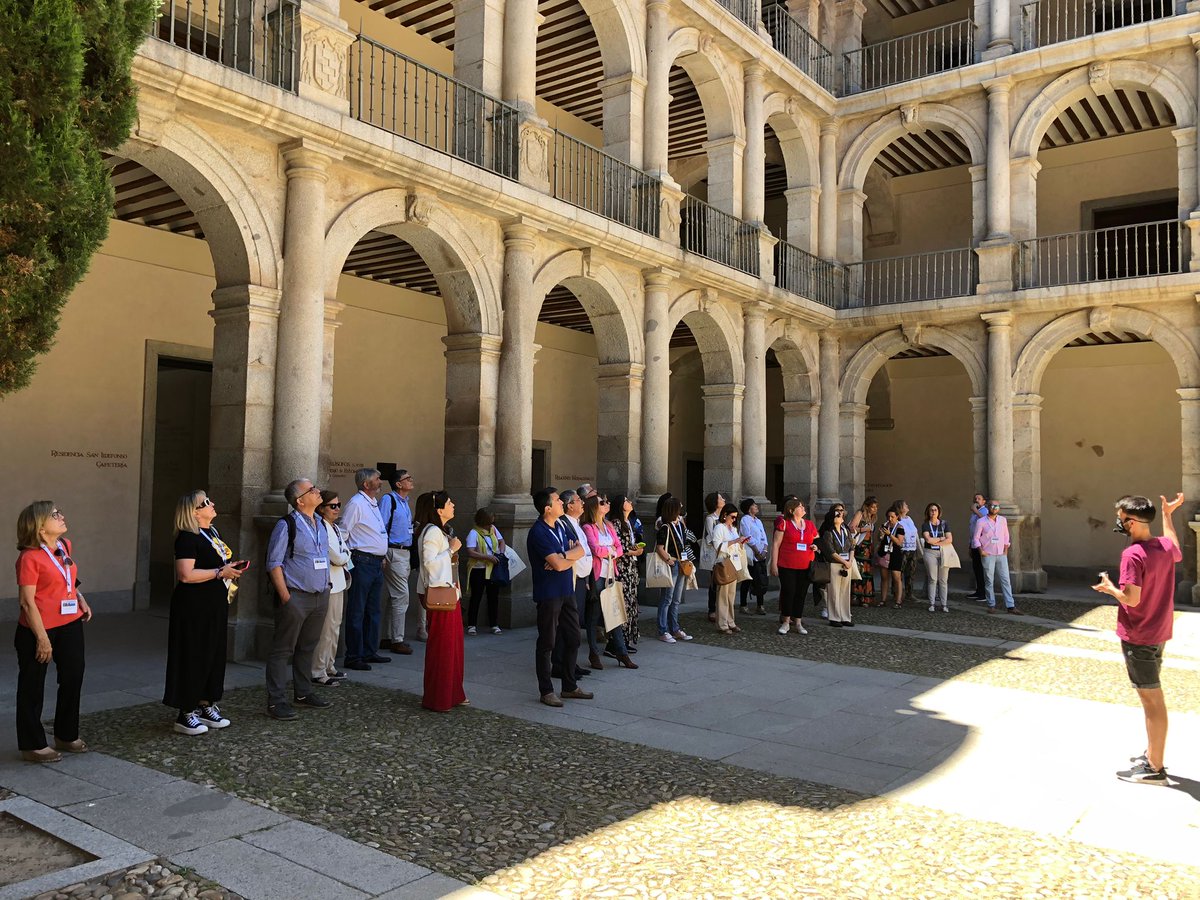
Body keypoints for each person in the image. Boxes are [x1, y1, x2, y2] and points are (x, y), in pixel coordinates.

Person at [1093, 493, 1184, 786]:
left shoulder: (1133, 554)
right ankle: (1152, 754)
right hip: (1159, 632)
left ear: (1130, 522)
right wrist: (1169, 515)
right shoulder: (1163, 546)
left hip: (1139, 634)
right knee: (1152, 696)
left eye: (1120, 518)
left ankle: (1154, 767)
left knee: (1151, 701)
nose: (1118, 522)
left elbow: (1132, 599)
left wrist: (1110, 590)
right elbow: (1176, 545)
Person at [14, 501, 93, 763]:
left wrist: (79, 596)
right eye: (54, 515)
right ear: (39, 527)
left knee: (73, 676)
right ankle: (32, 744)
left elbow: (66, 576)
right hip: (38, 628)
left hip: (69, 622)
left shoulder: (64, 545)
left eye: (60, 511)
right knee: (32, 685)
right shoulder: (29, 558)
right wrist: (42, 638)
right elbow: (27, 602)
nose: (62, 516)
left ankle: (66, 734)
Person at [163, 491, 244, 735]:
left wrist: (227, 570)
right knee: (194, 654)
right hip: (194, 606)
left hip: (214, 602)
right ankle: (185, 711)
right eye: (205, 503)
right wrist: (220, 572)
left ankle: (206, 702)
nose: (212, 504)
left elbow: (216, 564)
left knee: (214, 653)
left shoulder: (212, 532)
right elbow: (186, 574)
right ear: (194, 512)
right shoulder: (187, 537)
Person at [264, 478, 333, 720]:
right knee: (283, 649)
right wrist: (285, 596)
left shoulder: (321, 524)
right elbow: (274, 563)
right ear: (300, 500)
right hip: (296, 596)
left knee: (307, 647)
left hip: (319, 596)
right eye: (311, 489)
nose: (317, 490)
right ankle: (276, 701)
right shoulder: (286, 525)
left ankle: (303, 692)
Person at [527, 487, 593, 707]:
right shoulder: (538, 532)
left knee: (574, 637)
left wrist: (564, 557)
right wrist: (564, 559)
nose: (561, 504)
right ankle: (546, 690)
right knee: (547, 642)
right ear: (547, 508)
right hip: (549, 594)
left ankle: (569, 685)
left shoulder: (562, 525)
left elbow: (581, 550)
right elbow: (554, 564)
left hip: (567, 590)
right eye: (557, 501)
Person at [415, 490, 468, 712]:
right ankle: (440, 697)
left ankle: (452, 693)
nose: (453, 505)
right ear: (438, 510)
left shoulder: (439, 531)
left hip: (447, 593)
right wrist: (451, 550)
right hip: (441, 594)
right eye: (449, 502)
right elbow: (430, 563)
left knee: (452, 646)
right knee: (443, 647)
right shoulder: (432, 532)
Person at [340, 467, 390, 670]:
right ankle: (354, 655)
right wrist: (346, 559)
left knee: (373, 610)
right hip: (362, 562)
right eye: (377, 479)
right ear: (366, 484)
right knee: (357, 610)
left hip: (376, 562)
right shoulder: (356, 504)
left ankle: (369, 651)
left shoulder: (372, 503)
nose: (380, 482)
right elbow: (344, 532)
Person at [582, 495, 636, 668]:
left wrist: (610, 551)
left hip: (612, 574)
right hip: (598, 576)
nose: (607, 504)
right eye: (602, 503)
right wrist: (610, 550)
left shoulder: (609, 525)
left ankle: (621, 652)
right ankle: (594, 652)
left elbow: (619, 548)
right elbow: (595, 549)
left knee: (615, 614)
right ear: (594, 507)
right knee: (594, 615)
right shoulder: (588, 527)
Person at [559, 489, 603, 670]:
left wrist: (585, 577)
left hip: (581, 578)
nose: (582, 503)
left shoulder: (577, 523)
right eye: (578, 500)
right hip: (572, 578)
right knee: (569, 624)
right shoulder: (564, 524)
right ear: (570, 505)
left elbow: (583, 550)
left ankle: (571, 663)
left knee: (575, 623)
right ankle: (563, 663)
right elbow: (572, 552)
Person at [312, 491, 351, 688]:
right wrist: (345, 556)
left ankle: (329, 665)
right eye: (332, 506)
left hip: (339, 582)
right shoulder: (321, 527)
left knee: (335, 627)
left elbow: (346, 549)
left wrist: (344, 555)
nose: (337, 509)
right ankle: (318, 670)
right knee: (326, 629)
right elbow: (337, 556)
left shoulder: (334, 527)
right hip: (329, 582)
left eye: (338, 505)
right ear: (322, 508)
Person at [380, 469, 420, 654]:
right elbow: (381, 526)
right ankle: (397, 639)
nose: (411, 481)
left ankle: (388, 636)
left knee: (395, 596)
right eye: (407, 479)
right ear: (398, 484)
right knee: (401, 596)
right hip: (393, 551)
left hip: (403, 552)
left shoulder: (405, 502)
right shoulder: (390, 500)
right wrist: (382, 553)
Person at [770, 497, 817, 635]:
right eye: (800, 506)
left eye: (803, 506)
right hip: (787, 564)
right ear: (791, 510)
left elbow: (817, 539)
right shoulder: (784, 523)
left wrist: (815, 546)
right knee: (788, 592)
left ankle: (798, 621)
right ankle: (786, 621)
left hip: (805, 564)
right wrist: (774, 563)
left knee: (801, 594)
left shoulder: (809, 524)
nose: (803, 508)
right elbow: (776, 544)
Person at [654, 498, 695, 644]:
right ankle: (663, 630)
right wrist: (669, 560)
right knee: (667, 598)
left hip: (681, 562)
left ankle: (675, 628)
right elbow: (660, 547)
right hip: (672, 563)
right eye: (679, 507)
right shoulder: (665, 526)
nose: (681, 508)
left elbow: (684, 542)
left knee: (676, 600)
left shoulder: (679, 525)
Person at [607, 495, 644, 654]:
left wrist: (636, 548)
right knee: (622, 605)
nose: (630, 503)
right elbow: (618, 547)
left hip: (630, 567)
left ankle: (625, 639)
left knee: (630, 605)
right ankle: (615, 643)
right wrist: (632, 551)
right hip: (622, 568)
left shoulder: (628, 522)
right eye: (626, 501)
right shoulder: (616, 523)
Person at [973, 501, 1023, 615]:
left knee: (1005, 579)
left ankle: (1010, 606)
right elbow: (976, 538)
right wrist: (981, 551)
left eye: (997, 506)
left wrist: (1006, 549)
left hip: (1001, 554)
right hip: (988, 554)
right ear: (988, 507)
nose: (995, 508)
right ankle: (991, 604)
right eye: (992, 506)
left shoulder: (1002, 520)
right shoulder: (981, 521)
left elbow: (1006, 536)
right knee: (989, 580)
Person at [465, 508, 505, 636]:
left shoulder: (493, 529)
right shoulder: (473, 533)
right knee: (476, 597)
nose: (490, 525)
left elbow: (501, 541)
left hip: (492, 568)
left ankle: (494, 624)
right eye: (489, 522)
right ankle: (472, 625)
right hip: (478, 569)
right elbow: (470, 551)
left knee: (493, 597)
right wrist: (487, 557)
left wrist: (501, 553)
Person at [710, 505, 748, 634]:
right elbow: (717, 546)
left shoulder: (733, 529)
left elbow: (736, 545)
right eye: (732, 517)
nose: (733, 520)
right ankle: (722, 624)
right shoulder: (719, 528)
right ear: (725, 515)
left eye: (735, 518)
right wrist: (735, 541)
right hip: (724, 564)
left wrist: (741, 543)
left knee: (731, 596)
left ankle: (731, 621)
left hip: (734, 563)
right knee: (722, 596)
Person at [819, 506, 855, 627]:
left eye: (841, 515)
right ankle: (834, 617)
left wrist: (850, 560)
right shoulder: (829, 533)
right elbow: (831, 551)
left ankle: (845, 616)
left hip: (847, 564)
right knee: (834, 592)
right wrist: (845, 562)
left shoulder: (846, 531)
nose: (841, 516)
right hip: (835, 564)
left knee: (845, 592)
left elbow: (851, 546)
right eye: (838, 515)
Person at [738, 498, 768, 615]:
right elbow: (747, 536)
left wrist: (765, 550)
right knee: (748, 578)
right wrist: (756, 551)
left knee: (761, 578)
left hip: (761, 553)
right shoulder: (745, 520)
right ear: (749, 508)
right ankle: (743, 604)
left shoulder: (758, 521)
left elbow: (764, 536)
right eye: (754, 505)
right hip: (751, 554)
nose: (756, 507)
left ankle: (760, 604)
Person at [921, 503, 953, 613]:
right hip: (930, 552)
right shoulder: (926, 525)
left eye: (935, 510)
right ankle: (932, 603)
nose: (933, 512)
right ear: (928, 512)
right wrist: (941, 538)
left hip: (943, 552)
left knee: (943, 580)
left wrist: (937, 541)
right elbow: (928, 540)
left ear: (939, 512)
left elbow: (950, 539)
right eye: (931, 510)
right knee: (933, 578)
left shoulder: (944, 524)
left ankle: (944, 604)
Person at [849, 497, 878, 607]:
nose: (875, 509)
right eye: (873, 507)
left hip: (868, 547)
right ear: (867, 506)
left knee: (867, 571)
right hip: (860, 546)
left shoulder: (872, 518)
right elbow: (851, 527)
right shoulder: (860, 513)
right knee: (859, 570)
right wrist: (863, 529)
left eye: (876, 507)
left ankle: (866, 597)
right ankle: (856, 596)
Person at [702, 492, 725, 623]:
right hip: (715, 554)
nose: (723, 500)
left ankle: (721, 609)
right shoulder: (711, 518)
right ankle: (712, 609)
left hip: (724, 552)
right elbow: (711, 537)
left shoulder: (723, 517)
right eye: (720, 498)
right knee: (714, 582)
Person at [879, 505, 905, 608]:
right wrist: (881, 535)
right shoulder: (884, 525)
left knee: (896, 577)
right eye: (888, 516)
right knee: (884, 577)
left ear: (897, 516)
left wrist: (889, 535)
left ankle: (898, 601)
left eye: (892, 517)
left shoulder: (900, 527)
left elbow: (899, 542)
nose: (890, 519)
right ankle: (883, 600)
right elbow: (879, 538)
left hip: (895, 554)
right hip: (884, 553)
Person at [896, 500, 921, 601]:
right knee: (899, 572)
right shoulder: (897, 520)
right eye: (905, 505)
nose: (907, 506)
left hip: (912, 549)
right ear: (900, 508)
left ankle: (909, 593)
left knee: (911, 572)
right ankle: (897, 593)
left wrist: (919, 549)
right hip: (903, 549)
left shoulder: (909, 518)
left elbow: (916, 534)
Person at [966, 493, 988, 601]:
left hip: (981, 545)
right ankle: (978, 591)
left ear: (984, 501)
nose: (976, 500)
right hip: (974, 544)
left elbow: (986, 522)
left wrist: (975, 511)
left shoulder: (984, 511)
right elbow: (972, 529)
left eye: (979, 499)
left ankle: (983, 593)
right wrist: (970, 545)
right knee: (976, 568)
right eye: (975, 499)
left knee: (981, 568)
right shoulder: (974, 514)